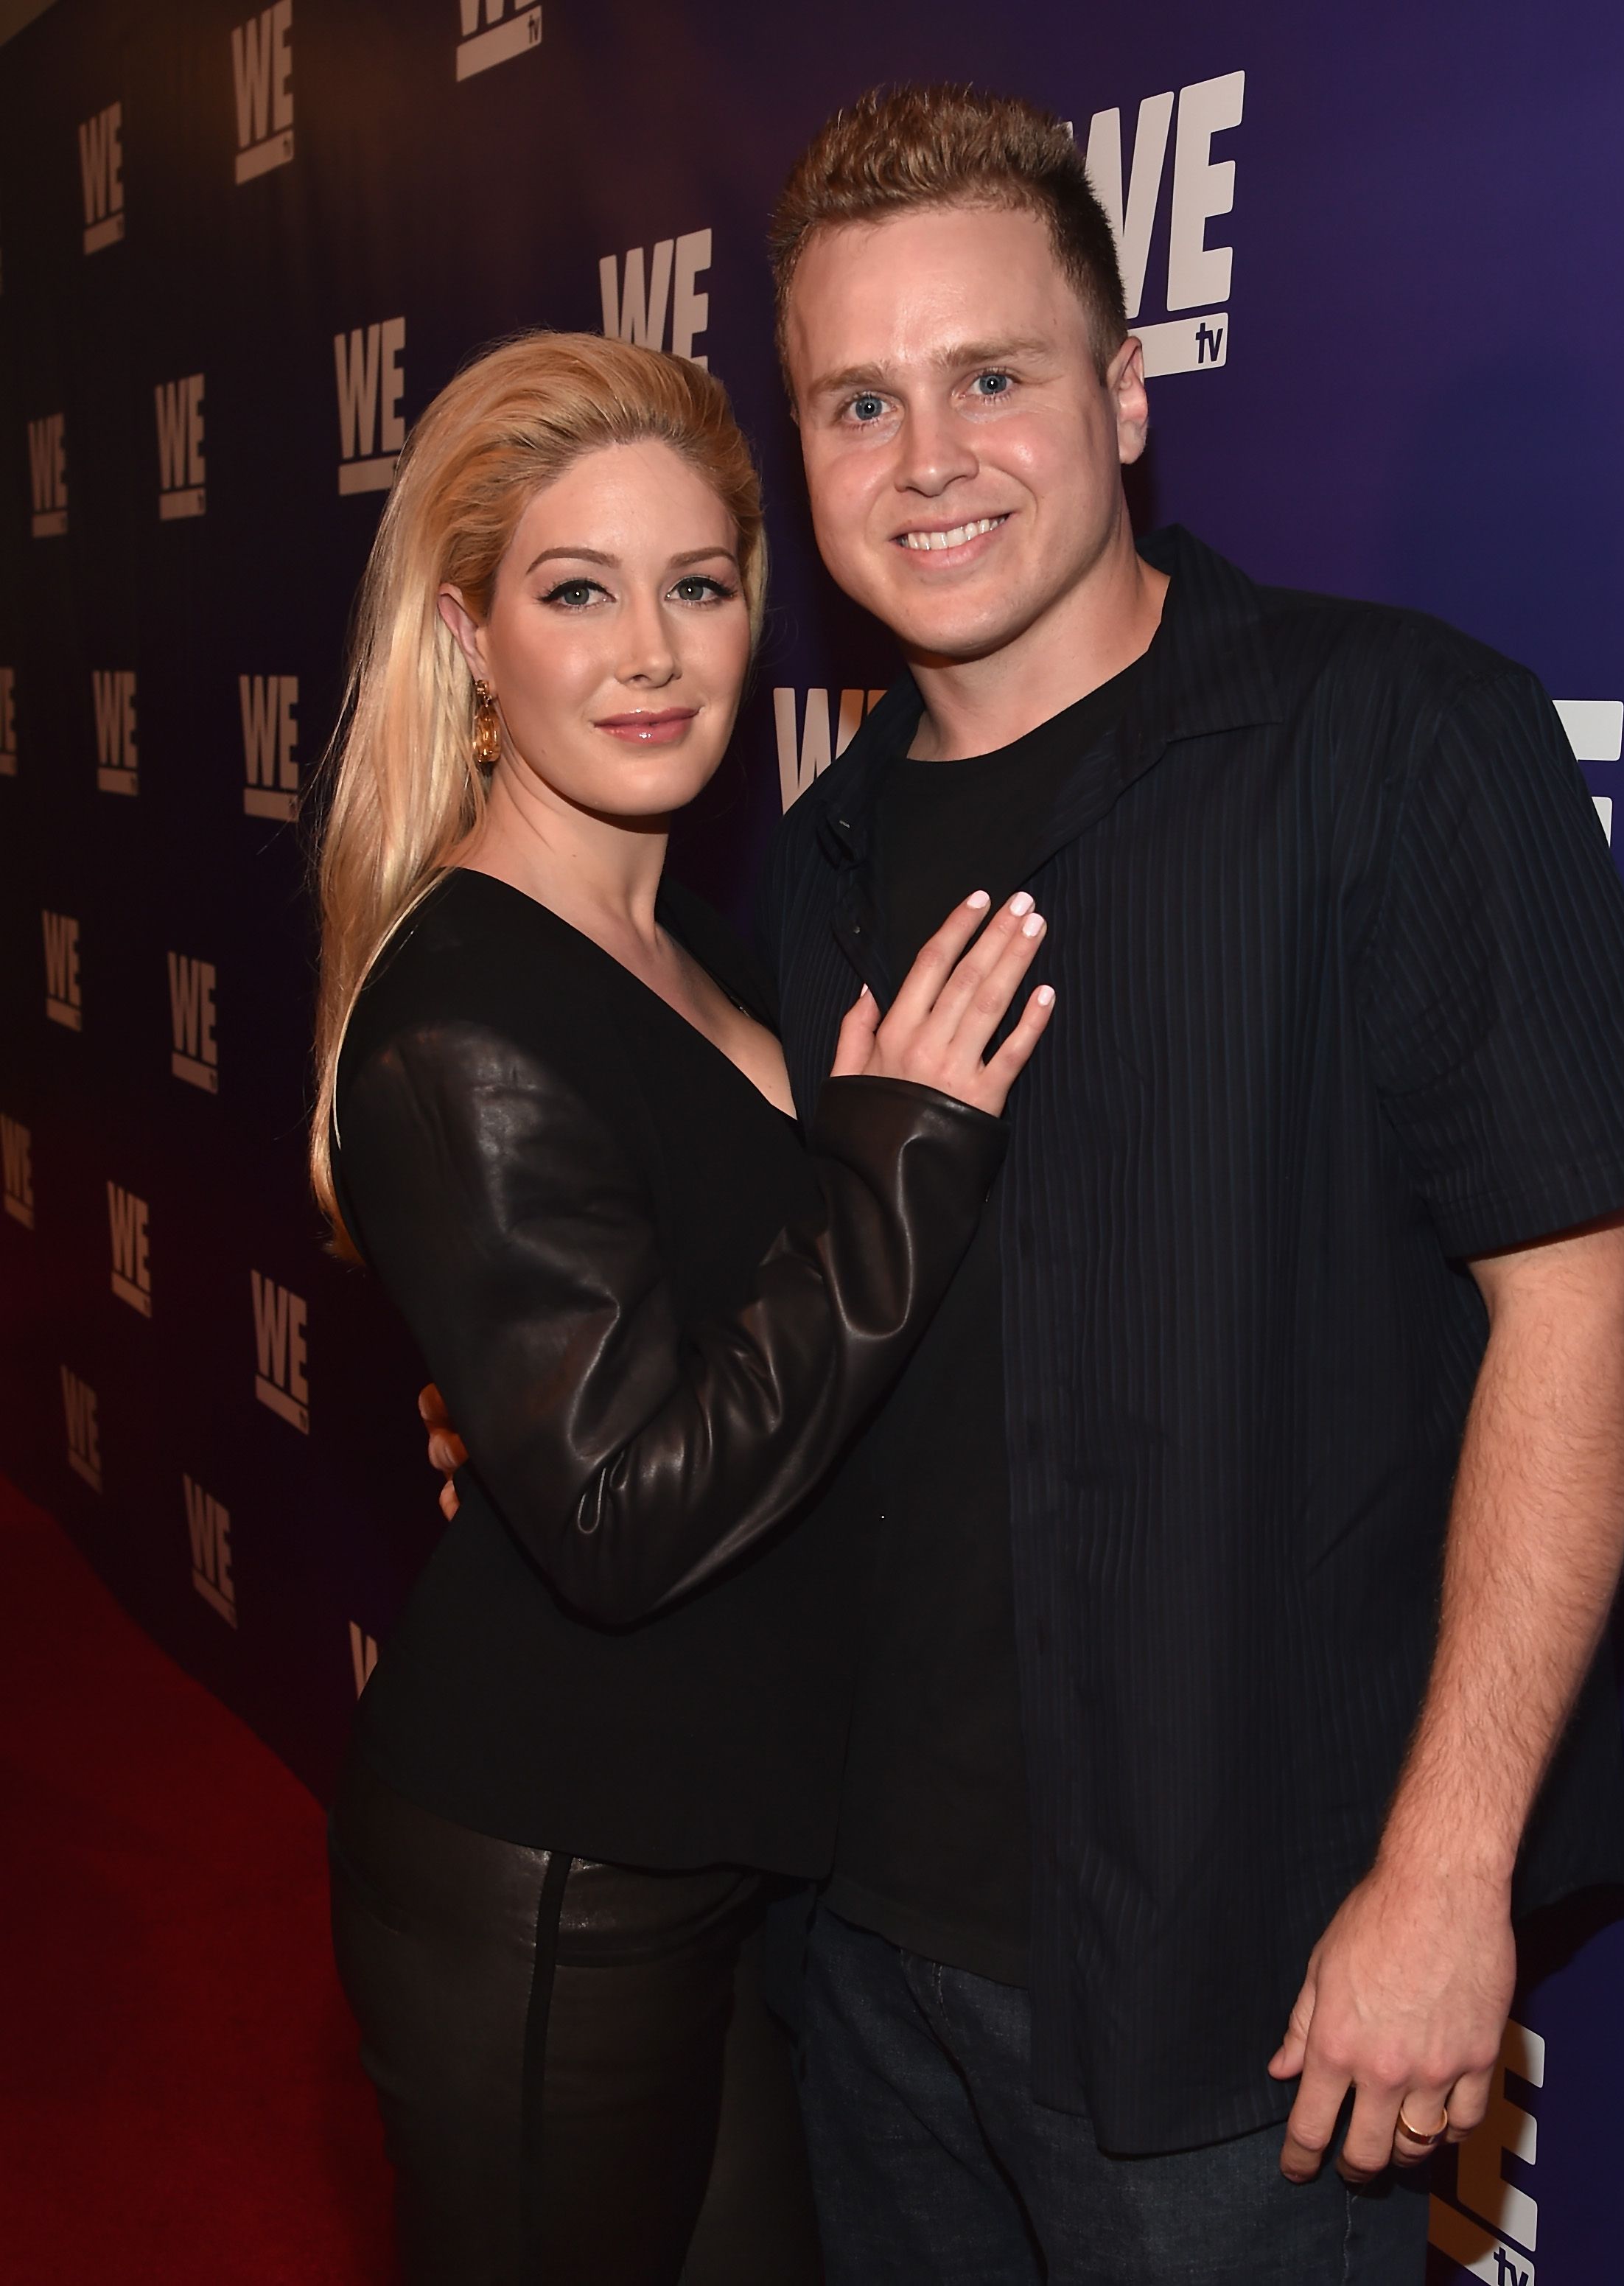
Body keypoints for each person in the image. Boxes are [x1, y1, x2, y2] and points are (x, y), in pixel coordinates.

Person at [745, 85, 1624, 2283]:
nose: (929, 458)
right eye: (859, 401)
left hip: (1249, 2003)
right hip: (861, 1958)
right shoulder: (810, 865)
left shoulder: (1391, 745)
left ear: (1120, 394)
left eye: (992, 377)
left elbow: (1590, 1306)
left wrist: (1449, 1873)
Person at [311, 329, 1054, 2286]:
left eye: (700, 585)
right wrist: (905, 1170)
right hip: (555, 1873)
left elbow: (669, 1353)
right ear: (474, 635)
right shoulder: (461, 1010)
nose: (652, 653)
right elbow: (632, 1507)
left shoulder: (685, 935)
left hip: (717, 1853)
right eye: (578, 591)